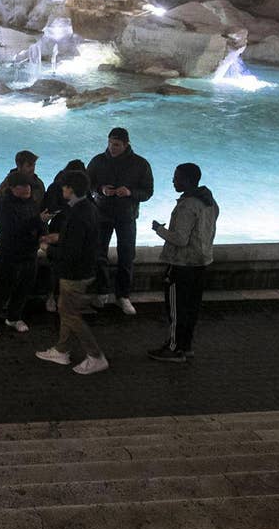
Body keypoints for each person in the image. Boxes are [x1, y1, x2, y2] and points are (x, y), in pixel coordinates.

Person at [37, 168, 109, 375]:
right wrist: (57, 237)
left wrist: (47, 248)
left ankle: (95, 355)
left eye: (64, 187)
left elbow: (71, 252)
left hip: (74, 272)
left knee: (70, 314)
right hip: (86, 268)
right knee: (66, 309)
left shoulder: (78, 213)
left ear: (70, 189)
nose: (61, 190)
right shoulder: (88, 208)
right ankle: (61, 349)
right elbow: (80, 239)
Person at [149, 163, 220, 363]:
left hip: (182, 264)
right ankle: (186, 346)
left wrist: (159, 230)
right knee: (191, 308)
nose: (173, 180)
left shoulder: (187, 205)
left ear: (188, 181)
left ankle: (174, 349)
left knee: (176, 309)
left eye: (177, 178)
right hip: (201, 261)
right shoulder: (209, 201)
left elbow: (180, 239)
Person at [86, 126, 154, 316]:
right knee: (99, 255)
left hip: (127, 216)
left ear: (126, 144)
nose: (112, 148)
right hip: (102, 214)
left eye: (116, 145)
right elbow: (86, 184)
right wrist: (99, 190)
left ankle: (123, 296)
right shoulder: (98, 161)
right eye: (110, 144)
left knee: (127, 255)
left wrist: (130, 192)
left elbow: (148, 191)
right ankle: (102, 292)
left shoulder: (140, 164)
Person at [0, 173, 43, 334]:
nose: (27, 189)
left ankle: (13, 317)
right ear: (12, 188)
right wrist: (38, 221)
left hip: (29, 250)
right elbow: (12, 229)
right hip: (10, 250)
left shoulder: (31, 202)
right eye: (22, 186)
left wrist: (43, 235)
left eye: (28, 186)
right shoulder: (4, 204)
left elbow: (36, 222)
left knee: (25, 285)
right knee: (4, 286)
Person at [38, 158, 84, 314]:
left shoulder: (81, 189)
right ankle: (51, 296)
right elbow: (49, 208)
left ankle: (65, 298)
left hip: (75, 229)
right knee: (56, 265)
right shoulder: (56, 187)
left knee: (71, 264)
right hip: (58, 228)